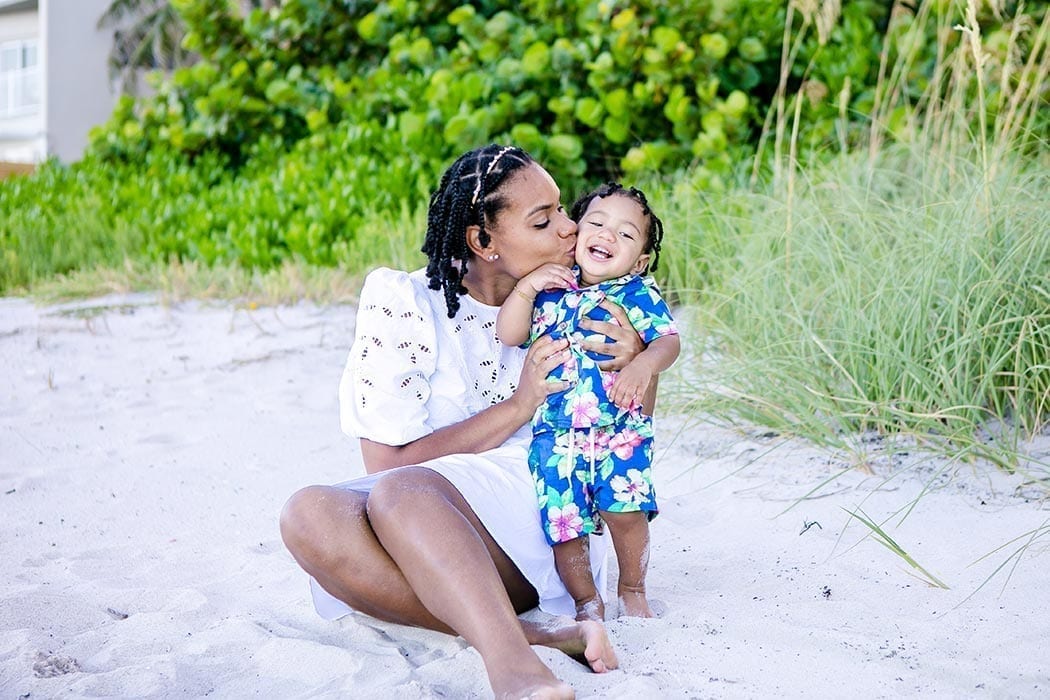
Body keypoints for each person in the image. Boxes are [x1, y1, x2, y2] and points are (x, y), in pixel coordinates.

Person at [280, 145, 654, 700]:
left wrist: (639, 358)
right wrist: (517, 405)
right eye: (544, 219)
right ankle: (540, 636)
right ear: (483, 242)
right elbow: (385, 466)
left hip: (549, 501)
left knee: (400, 495)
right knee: (308, 513)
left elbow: (632, 427)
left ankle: (514, 667)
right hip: (424, 506)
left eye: (562, 211)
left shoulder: (594, 291)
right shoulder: (405, 303)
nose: (570, 229)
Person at [495, 183, 680, 622]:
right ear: (576, 233)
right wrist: (526, 288)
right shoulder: (548, 286)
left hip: (621, 429)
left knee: (627, 513)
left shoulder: (636, 293)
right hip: (556, 434)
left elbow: (669, 341)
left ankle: (632, 588)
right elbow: (510, 334)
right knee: (565, 526)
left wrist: (644, 365)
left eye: (626, 233)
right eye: (596, 223)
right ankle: (586, 600)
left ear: (640, 260)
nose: (608, 235)